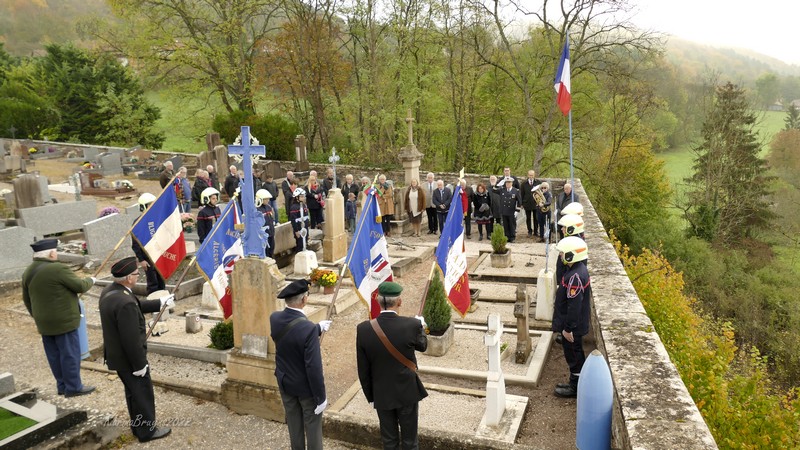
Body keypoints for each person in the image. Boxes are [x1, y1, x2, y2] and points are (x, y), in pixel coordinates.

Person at [98, 256, 175, 442]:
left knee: (134, 393)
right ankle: (147, 432)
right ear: (128, 278)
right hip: (129, 359)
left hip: (118, 356)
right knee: (142, 394)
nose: (139, 274)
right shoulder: (125, 303)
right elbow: (131, 340)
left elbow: (136, 305)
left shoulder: (112, 290)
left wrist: (161, 303)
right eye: (136, 273)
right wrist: (140, 364)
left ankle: (138, 427)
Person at [356, 281, 428, 450]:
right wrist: (421, 327)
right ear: (399, 302)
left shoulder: (364, 329)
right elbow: (423, 346)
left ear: (378, 302)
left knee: (389, 442)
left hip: (382, 393)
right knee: (410, 441)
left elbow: (363, 369)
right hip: (407, 392)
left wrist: (371, 397)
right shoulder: (412, 325)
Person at [22, 238, 96, 398]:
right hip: (64, 321)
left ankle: (62, 386)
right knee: (70, 354)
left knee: (54, 355)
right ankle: (74, 387)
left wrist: (37, 316)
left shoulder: (28, 271)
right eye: (55, 251)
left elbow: (26, 299)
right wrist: (91, 280)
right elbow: (80, 286)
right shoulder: (58, 268)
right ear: (50, 253)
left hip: (43, 322)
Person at [271, 279, 331, 450]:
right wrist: (321, 397)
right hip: (305, 389)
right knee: (313, 429)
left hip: (285, 382)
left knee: (294, 426)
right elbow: (313, 367)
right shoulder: (308, 329)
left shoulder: (274, 318)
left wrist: (317, 329)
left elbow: (291, 337)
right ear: (304, 299)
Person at [552, 236, 591, 398]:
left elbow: (574, 306)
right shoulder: (576, 269)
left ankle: (575, 387)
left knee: (574, 355)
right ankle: (574, 381)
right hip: (575, 325)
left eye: (563, 253)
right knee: (574, 353)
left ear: (571, 255)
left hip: (573, 328)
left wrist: (568, 329)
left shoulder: (575, 276)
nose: (561, 256)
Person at [132, 193, 166, 295]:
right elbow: (135, 244)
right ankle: (153, 303)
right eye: (149, 205)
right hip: (147, 257)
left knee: (161, 280)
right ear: (143, 206)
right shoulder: (138, 222)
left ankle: (163, 302)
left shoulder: (157, 219)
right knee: (153, 282)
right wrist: (141, 259)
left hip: (158, 254)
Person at [499, 177, 522, 243]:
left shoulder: (516, 191)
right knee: (505, 225)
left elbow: (519, 202)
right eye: (506, 182)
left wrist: (517, 211)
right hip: (504, 210)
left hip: (512, 211)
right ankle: (507, 237)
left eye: (509, 182)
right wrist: (499, 184)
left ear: (512, 183)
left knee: (512, 225)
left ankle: (512, 237)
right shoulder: (502, 190)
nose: (508, 184)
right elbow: (494, 190)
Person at [256, 189, 276, 258]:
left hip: (271, 233)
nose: (268, 200)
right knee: (266, 251)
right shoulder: (257, 210)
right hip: (263, 235)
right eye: (266, 199)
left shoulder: (269, 207)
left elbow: (272, 218)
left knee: (272, 249)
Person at [520, 170, 540, 238]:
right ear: (528, 175)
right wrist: (521, 203)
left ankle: (536, 231)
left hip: (536, 203)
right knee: (528, 218)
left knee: (536, 218)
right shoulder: (523, 184)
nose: (531, 176)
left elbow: (540, 193)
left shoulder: (538, 183)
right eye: (530, 175)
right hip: (527, 203)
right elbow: (521, 194)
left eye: (532, 175)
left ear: (534, 175)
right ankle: (529, 231)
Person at [289, 188, 310, 252]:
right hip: (299, 229)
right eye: (301, 196)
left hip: (305, 228)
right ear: (297, 197)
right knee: (300, 245)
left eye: (304, 196)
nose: (303, 198)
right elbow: (293, 220)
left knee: (305, 243)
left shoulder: (303, 205)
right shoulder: (294, 207)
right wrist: (296, 231)